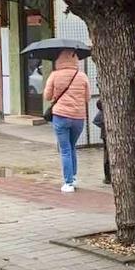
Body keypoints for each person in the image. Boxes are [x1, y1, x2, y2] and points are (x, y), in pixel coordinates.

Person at [43, 49, 90, 193]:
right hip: (78, 117)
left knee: (65, 150)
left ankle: (68, 182)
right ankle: (73, 177)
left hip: (61, 116)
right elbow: (87, 98)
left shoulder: (54, 75)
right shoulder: (82, 76)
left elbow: (47, 96)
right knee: (72, 146)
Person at [94, 99, 111, 185]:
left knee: (107, 155)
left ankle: (108, 177)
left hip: (105, 134)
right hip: (106, 135)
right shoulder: (104, 108)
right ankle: (108, 177)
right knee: (107, 156)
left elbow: (96, 121)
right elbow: (96, 120)